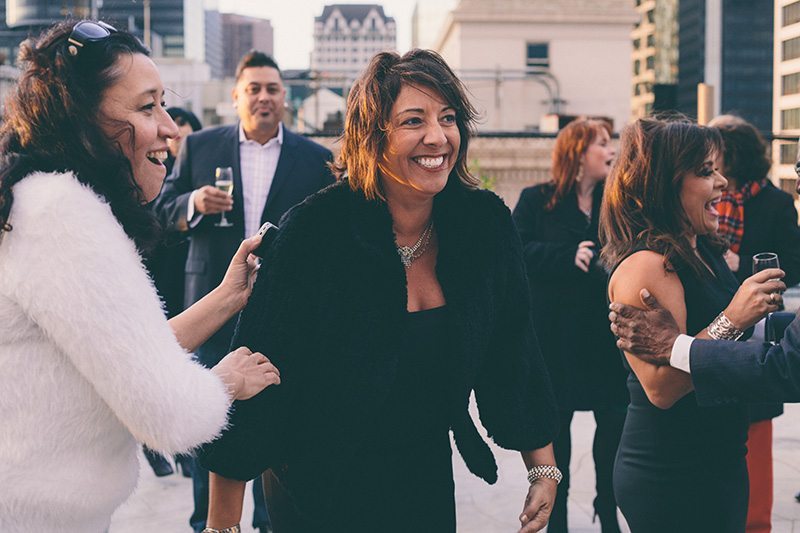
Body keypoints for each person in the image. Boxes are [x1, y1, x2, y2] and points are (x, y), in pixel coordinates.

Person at [197, 49, 560, 533]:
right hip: (313, 484)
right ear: (373, 137)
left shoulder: (484, 225)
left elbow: (513, 349)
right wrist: (223, 525)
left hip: (422, 480)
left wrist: (542, 466)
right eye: (414, 120)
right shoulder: (315, 230)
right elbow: (255, 375)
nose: (437, 136)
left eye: (448, 118)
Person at [0, 20, 280, 532]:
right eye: (146, 107)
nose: (170, 128)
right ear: (82, 119)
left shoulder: (40, 201)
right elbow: (167, 414)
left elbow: (125, 355)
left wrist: (228, 295)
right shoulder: (63, 215)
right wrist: (229, 380)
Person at [154, 50, 334, 533]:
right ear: (236, 97)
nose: (263, 96)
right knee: (206, 432)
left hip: (283, 318)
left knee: (276, 433)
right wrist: (193, 203)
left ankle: (267, 525)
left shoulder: (317, 159)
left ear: (284, 99)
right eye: (253, 88)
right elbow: (161, 210)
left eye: (272, 89)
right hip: (210, 310)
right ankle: (206, 525)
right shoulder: (200, 147)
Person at [599, 117, 784, 532]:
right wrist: (734, 317)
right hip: (672, 469)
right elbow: (662, 389)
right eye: (705, 171)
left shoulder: (705, 250)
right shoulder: (647, 265)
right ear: (664, 184)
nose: (722, 182)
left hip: (721, 459)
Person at [512, 118, 627, 532]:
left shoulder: (615, 204)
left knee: (613, 426)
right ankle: (556, 520)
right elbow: (516, 251)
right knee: (556, 438)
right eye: (601, 143)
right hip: (555, 343)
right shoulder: (535, 199)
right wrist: (564, 255)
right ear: (578, 153)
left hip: (603, 341)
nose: (610, 149)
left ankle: (607, 506)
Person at [709, 114, 800, 533]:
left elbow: (794, 265)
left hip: (758, 342)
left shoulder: (775, 204)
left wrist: (740, 265)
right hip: (719, 346)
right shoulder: (699, 211)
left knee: (756, 489)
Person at [142, 106, 204, 479]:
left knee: (185, 360)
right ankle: (154, 445)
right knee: (159, 360)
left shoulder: (200, 170)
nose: (175, 132)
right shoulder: (151, 175)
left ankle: (182, 445)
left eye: (183, 126)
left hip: (190, 277)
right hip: (159, 274)